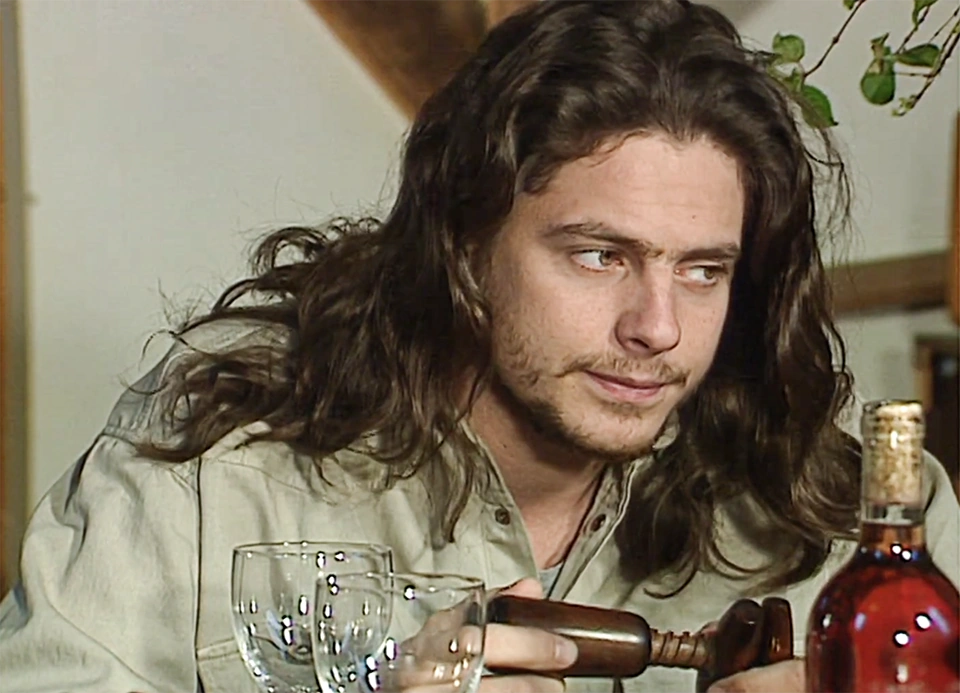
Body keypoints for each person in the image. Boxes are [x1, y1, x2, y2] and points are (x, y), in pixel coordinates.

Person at [1, 0, 957, 691]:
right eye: (599, 255)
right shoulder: (227, 450)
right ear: (465, 242)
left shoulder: (849, 505)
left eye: (704, 270)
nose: (658, 327)